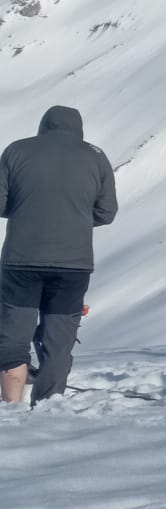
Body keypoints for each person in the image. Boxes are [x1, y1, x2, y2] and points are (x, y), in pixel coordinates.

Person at [0, 105, 118, 405]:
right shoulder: (96, 156)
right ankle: (47, 408)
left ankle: (11, 408)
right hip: (73, 264)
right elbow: (107, 212)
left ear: (44, 125)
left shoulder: (16, 150)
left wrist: (27, 212)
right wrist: (74, 219)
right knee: (59, 339)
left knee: (14, 335)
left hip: (21, 260)